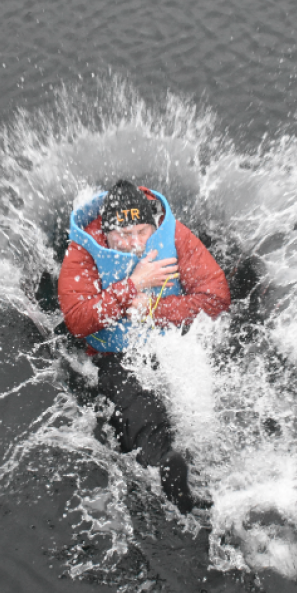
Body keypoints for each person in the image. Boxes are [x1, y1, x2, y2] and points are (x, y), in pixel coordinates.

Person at [58, 180, 230, 512]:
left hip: (174, 338)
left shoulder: (173, 235)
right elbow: (78, 321)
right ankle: (166, 468)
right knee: (136, 404)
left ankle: (224, 460)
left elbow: (216, 298)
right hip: (116, 353)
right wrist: (132, 286)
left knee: (207, 386)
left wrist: (155, 310)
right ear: (106, 234)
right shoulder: (83, 251)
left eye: (141, 231)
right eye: (123, 235)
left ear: (153, 224)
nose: (135, 243)